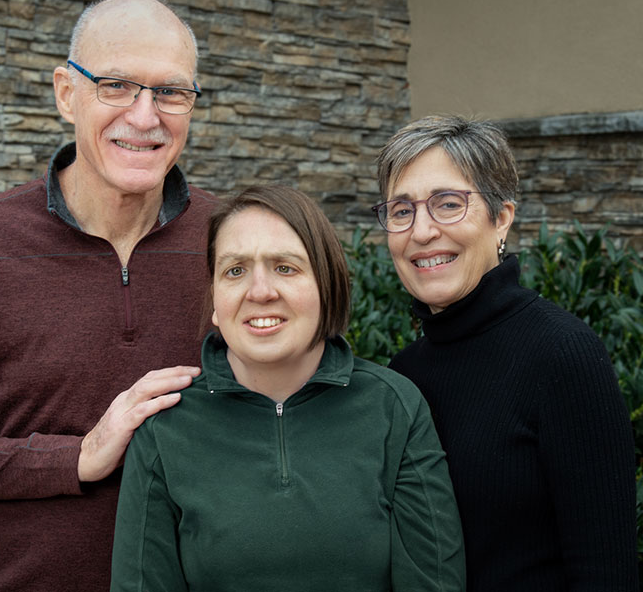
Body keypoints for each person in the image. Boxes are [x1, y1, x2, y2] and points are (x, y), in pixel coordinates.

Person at [0, 0, 217, 591]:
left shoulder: (229, 243)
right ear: (65, 92)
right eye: (116, 85)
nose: (145, 115)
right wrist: (75, 457)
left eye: (170, 92)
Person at [110, 184, 465, 592]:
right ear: (215, 303)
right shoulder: (166, 427)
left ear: (326, 286)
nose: (261, 291)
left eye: (285, 267)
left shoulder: (393, 408)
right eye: (235, 270)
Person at [373, 115, 638, 591]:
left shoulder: (562, 355)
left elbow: (605, 574)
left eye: (448, 204)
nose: (422, 231)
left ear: (501, 218)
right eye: (401, 210)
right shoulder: (404, 373)